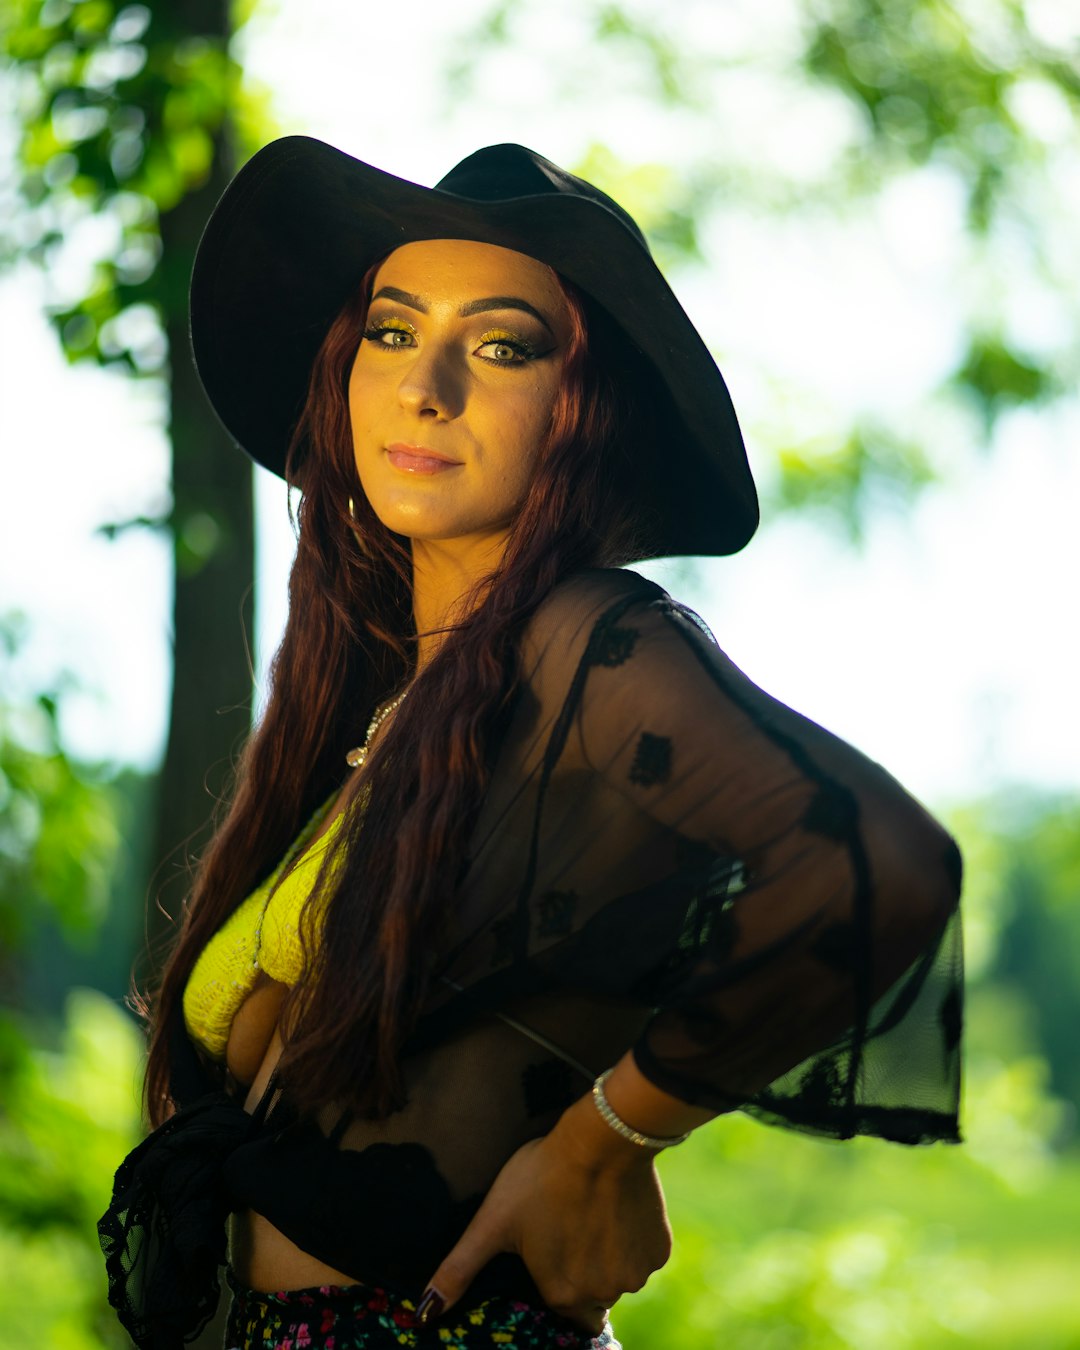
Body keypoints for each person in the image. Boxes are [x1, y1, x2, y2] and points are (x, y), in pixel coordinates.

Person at [99, 137, 965, 1350]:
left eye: (500, 346)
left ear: (580, 407)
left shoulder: (588, 639)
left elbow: (877, 866)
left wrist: (604, 1143)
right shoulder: (395, 706)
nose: (426, 385)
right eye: (393, 333)